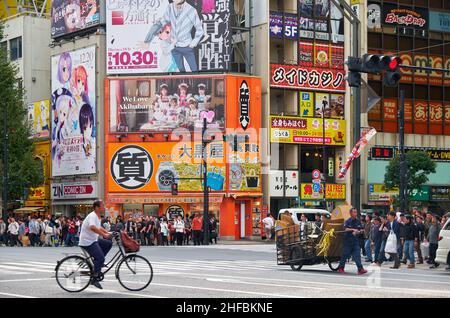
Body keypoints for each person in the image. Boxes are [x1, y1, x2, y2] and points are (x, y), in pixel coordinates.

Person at [78, 200, 112, 289]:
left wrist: (108, 232)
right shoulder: (92, 216)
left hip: (93, 240)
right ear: (97, 207)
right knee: (101, 258)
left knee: (108, 244)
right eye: (102, 205)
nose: (104, 207)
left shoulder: (98, 216)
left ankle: (98, 263)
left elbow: (99, 227)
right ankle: (94, 278)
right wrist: (104, 234)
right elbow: (92, 227)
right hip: (87, 241)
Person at [338, 208, 368, 275]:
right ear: (351, 213)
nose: (355, 213)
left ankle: (360, 269)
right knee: (345, 255)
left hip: (355, 241)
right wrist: (353, 230)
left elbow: (362, 230)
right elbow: (345, 229)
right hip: (347, 241)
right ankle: (341, 268)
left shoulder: (358, 221)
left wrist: (359, 232)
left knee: (357, 255)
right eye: (354, 212)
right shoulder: (348, 221)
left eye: (356, 212)